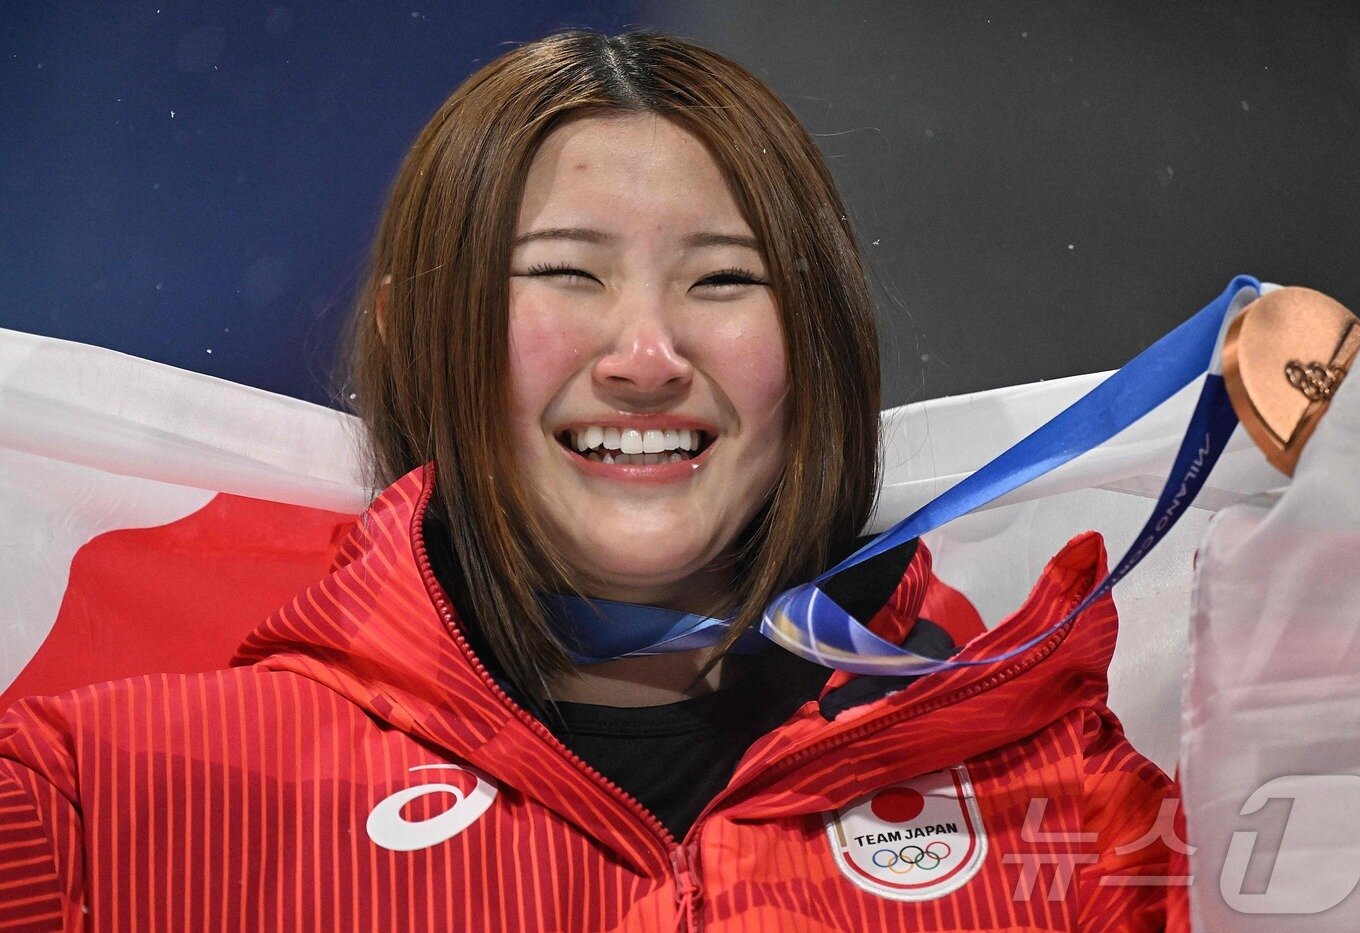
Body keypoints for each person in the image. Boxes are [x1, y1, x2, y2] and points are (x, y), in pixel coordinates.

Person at [0, 30, 1178, 931]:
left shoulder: (1067, 802)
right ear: (423, 336)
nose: (648, 357)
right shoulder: (109, 802)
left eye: (723, 281)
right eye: (564, 274)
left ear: (815, 348)